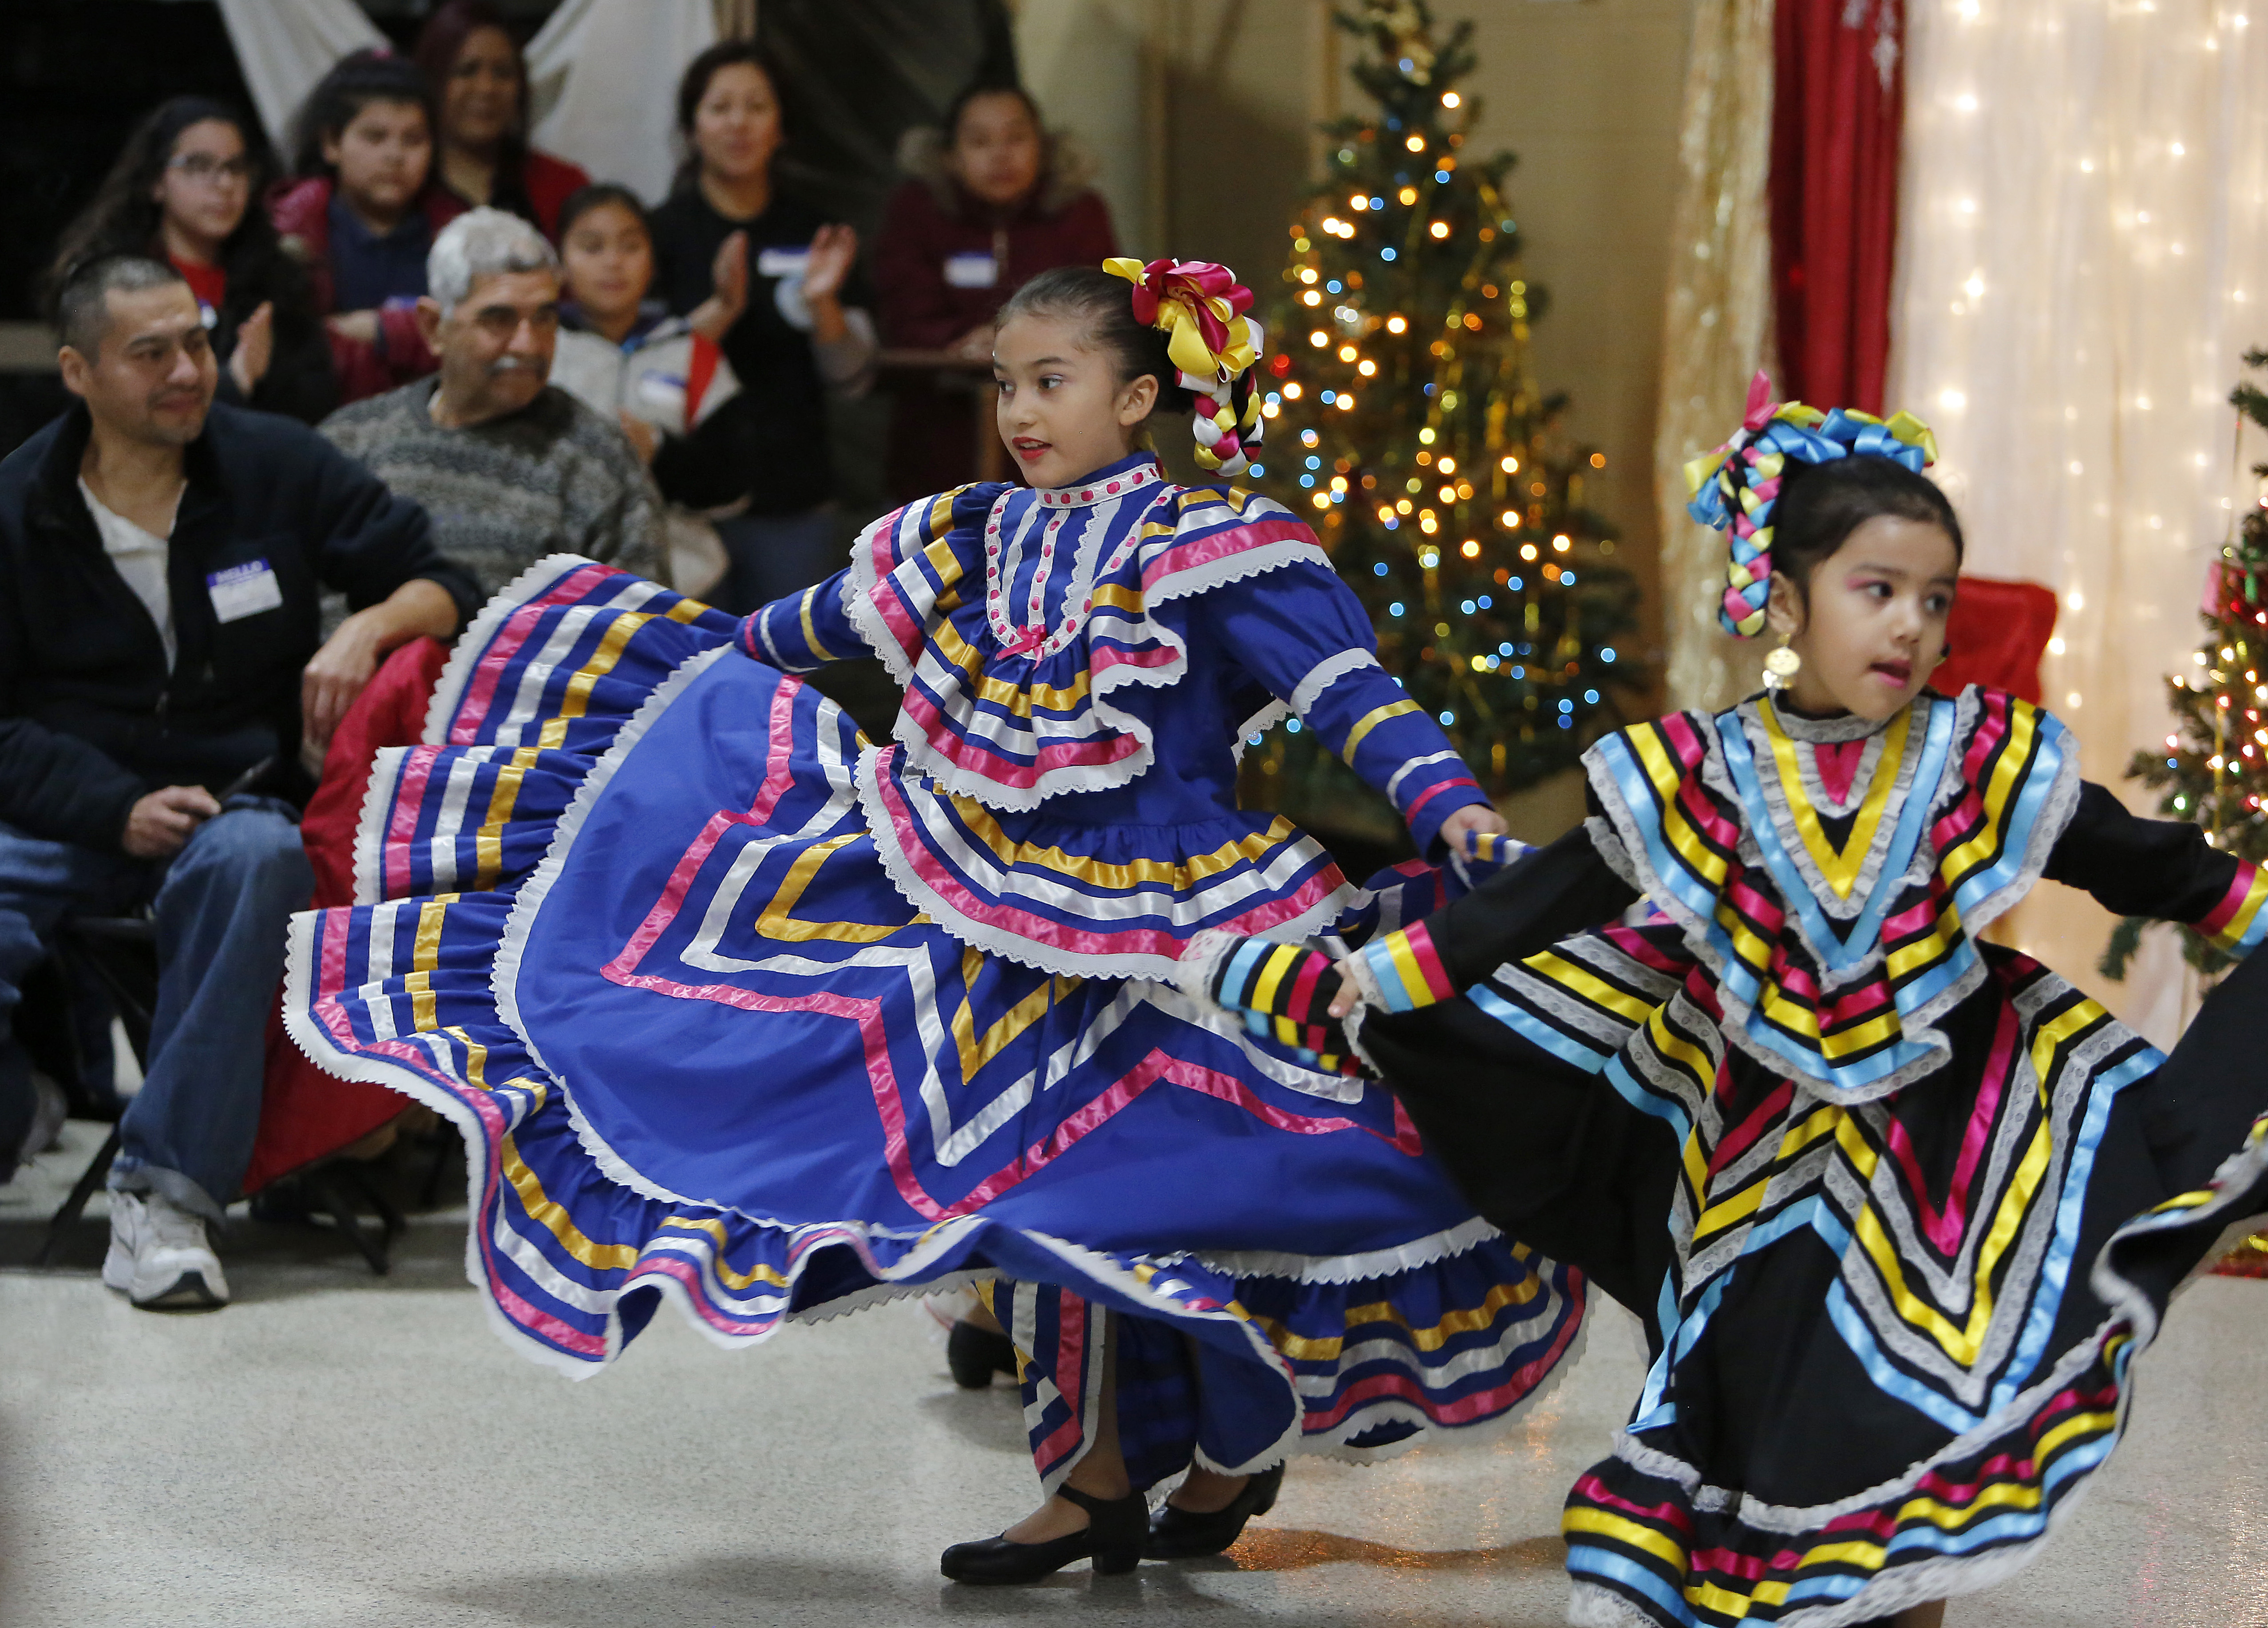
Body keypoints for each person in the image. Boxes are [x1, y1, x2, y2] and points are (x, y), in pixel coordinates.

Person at [286, 260, 1585, 1584]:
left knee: (1195, 1185)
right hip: (986, 901)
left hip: (1183, 924)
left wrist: (1450, 812)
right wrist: (691, 661)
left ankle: (1222, 1443)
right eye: (1005, 382)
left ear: (1139, 396)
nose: (1020, 410)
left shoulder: (1212, 544)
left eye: (1052, 381)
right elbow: (819, 625)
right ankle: (1088, 1481)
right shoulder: (965, 533)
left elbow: (1349, 691)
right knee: (1007, 1192)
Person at [1195, 379, 2268, 1628]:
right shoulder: (1696, 771)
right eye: (1877, 589)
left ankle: (1912, 1597)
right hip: (1751, 1147)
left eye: (1935, 598)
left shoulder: (1980, 758)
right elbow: (1539, 904)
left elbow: (2140, 858)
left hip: (1950, 1143)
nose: (1910, 625)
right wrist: (1368, 984)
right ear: (1787, 601)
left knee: (1925, 1388)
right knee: (1753, 1376)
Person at [0, 254, 479, 1306]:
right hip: (66, 813)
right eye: (152, 352)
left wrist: (370, 622)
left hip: (229, 805)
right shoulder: (13, 506)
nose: (188, 371)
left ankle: (164, 1196)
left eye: (198, 342)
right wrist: (110, 806)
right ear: (77, 370)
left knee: (263, 857)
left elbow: (444, 579)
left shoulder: (273, 464)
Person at [321, 207, 667, 598]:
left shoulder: (598, 460)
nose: (528, 344)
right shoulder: (351, 441)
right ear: (434, 328)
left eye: (543, 318)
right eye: (499, 319)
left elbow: (642, 629)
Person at [647, 40, 875, 611]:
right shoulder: (657, 235)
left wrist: (823, 305)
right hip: (682, 501)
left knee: (785, 683)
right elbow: (641, 368)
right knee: (687, 675)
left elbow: (854, 379)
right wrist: (718, 313)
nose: (738, 124)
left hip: (793, 498)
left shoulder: (817, 231)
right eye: (720, 107)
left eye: (756, 106)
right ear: (692, 126)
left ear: (782, 126)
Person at [874, 79, 1118, 500]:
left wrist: (1011, 345)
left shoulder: (1079, 211)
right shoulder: (915, 211)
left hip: (1061, 450)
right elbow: (902, 312)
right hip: (939, 442)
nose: (1000, 155)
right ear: (950, 156)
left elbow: (1099, 312)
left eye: (1016, 138)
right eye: (980, 142)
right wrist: (960, 342)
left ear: (1043, 147)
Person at [48, 97, 338, 426]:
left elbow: (312, 407)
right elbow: (100, 410)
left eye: (236, 168)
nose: (225, 184)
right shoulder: (110, 286)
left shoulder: (279, 284)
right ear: (155, 181)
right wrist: (233, 383)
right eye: (199, 166)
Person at [549, 182, 750, 598]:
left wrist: (658, 448)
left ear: (653, 262)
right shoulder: (540, 349)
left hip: (688, 584)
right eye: (592, 247)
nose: (613, 263)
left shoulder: (693, 352)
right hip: (563, 584)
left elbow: (733, 485)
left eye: (630, 246)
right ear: (560, 266)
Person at [272, 51, 457, 404]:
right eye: (375, 137)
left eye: (414, 139)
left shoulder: (460, 234)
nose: (395, 156)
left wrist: (384, 330)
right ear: (331, 144)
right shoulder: (286, 234)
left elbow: (481, 337)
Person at [411, 0, 588, 237]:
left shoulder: (562, 188)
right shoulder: (402, 190)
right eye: (467, 70)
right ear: (432, 81)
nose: (486, 89)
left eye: (503, 73)